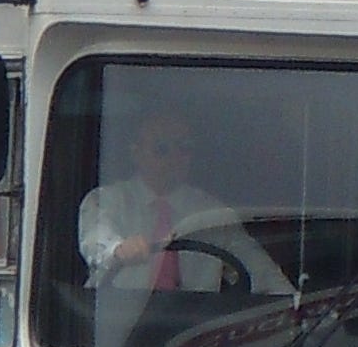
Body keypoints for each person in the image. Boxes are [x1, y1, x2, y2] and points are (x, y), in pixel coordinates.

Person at [71, 98, 284, 318]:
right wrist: (118, 250)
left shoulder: (213, 214)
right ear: (135, 152)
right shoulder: (106, 200)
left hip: (188, 338)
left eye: (184, 148)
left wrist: (294, 308)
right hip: (113, 328)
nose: (174, 158)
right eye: (161, 148)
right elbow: (95, 239)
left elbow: (260, 272)